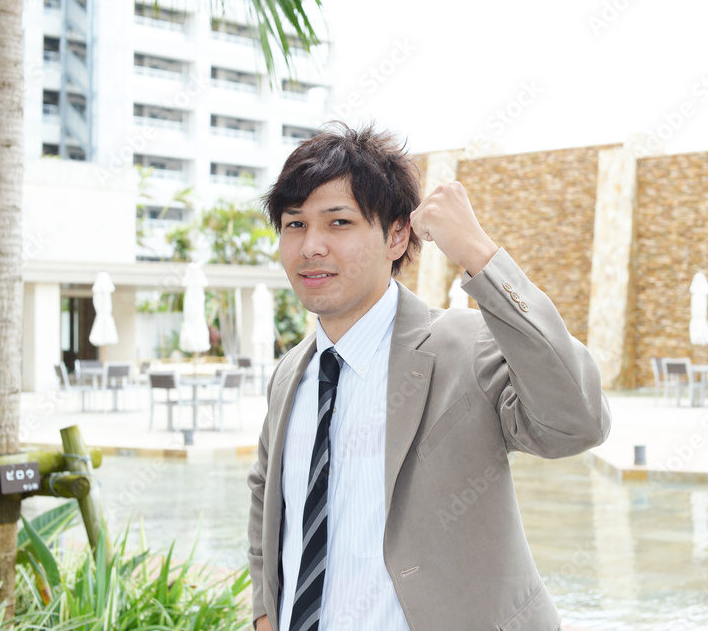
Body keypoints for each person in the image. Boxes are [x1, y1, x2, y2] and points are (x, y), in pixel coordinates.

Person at [247, 123, 611, 631]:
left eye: (339, 222)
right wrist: (265, 612)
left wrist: (479, 255)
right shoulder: (291, 372)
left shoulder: (466, 346)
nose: (311, 246)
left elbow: (579, 422)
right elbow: (267, 496)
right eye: (294, 224)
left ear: (397, 235)